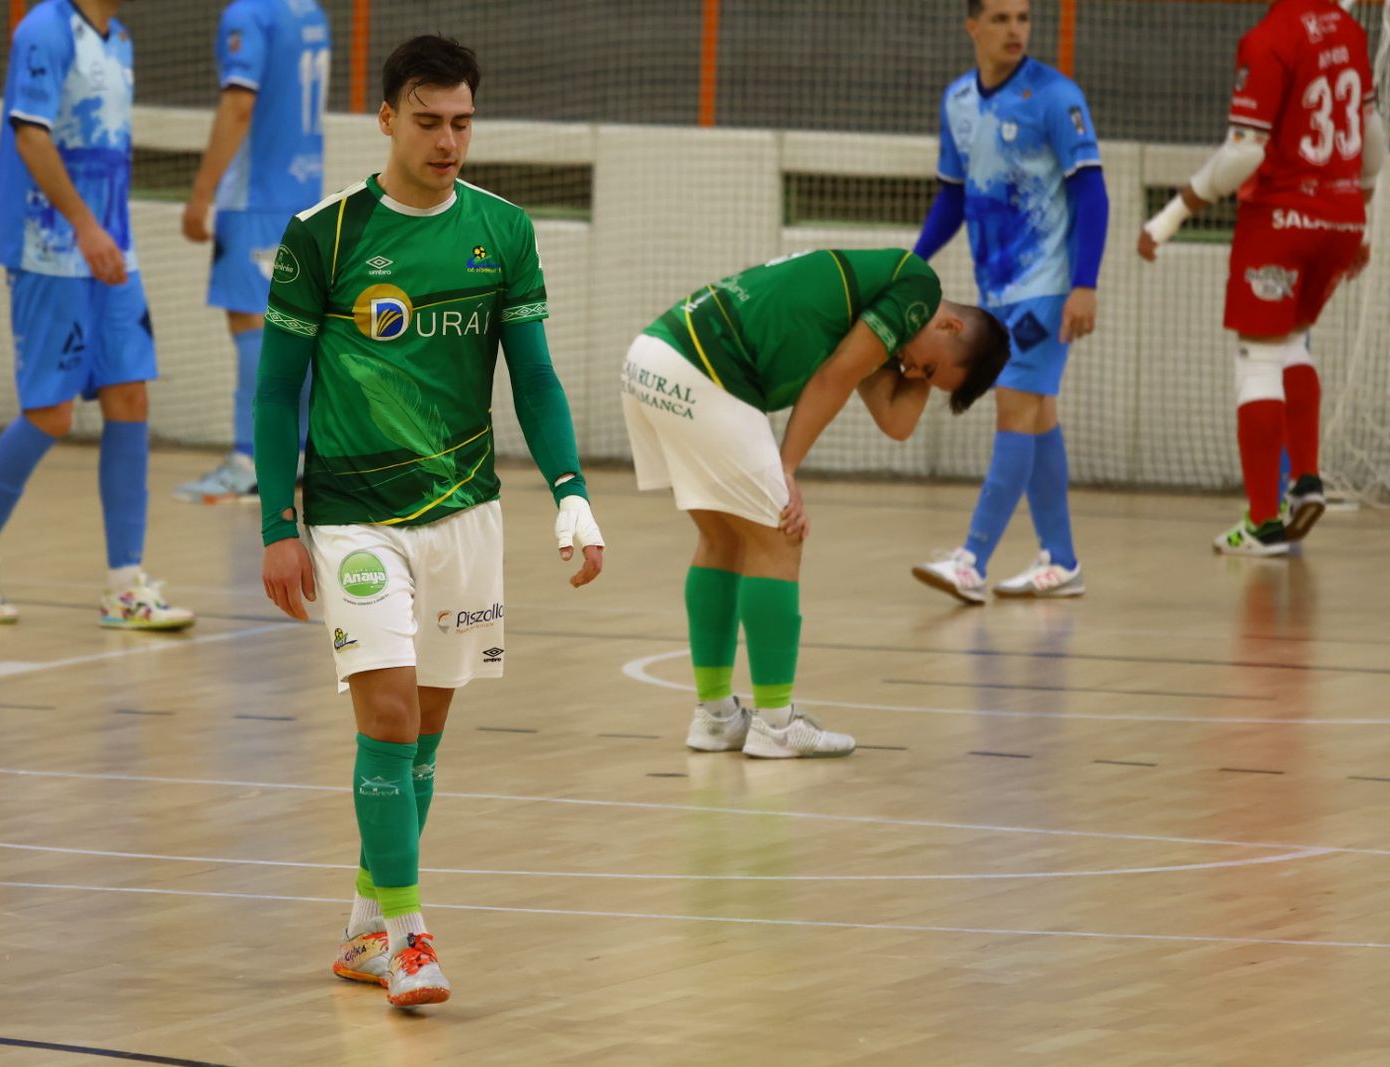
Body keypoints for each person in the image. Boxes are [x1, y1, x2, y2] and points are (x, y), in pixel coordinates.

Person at [253, 35, 605, 1009]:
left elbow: (533, 376)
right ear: (385, 118)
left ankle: (365, 925)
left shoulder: (503, 231)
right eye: (427, 121)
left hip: (465, 513)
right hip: (352, 516)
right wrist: (278, 523)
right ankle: (411, 941)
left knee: (425, 736)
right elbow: (276, 391)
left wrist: (571, 490)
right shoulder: (322, 237)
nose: (447, 141)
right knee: (389, 715)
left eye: (461, 123)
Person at [621, 248, 1009, 757]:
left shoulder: (882, 319)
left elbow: (896, 423)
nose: (916, 375)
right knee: (781, 536)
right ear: (950, 324)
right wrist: (786, 468)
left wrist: (918, 366)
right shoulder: (917, 288)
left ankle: (716, 718)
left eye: (927, 380)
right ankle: (777, 725)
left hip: (652, 358)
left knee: (723, 539)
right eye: (931, 367)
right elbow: (833, 379)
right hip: (705, 370)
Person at [0, 0, 194, 631]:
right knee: (49, 413)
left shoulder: (120, 38)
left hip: (112, 250)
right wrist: (83, 225)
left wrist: (106, 233)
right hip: (48, 246)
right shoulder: (44, 30)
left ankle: (125, 586)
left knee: (130, 396)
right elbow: (31, 135)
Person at [1139, 0, 1382, 555]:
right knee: (1293, 341)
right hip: (1342, 216)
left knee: (1258, 359)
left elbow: (1244, 154)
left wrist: (1172, 214)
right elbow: (1372, 138)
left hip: (1281, 220)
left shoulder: (1268, 39)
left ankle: (1263, 522)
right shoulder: (1349, 30)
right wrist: (1360, 221)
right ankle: (1307, 479)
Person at [909, 0, 1110, 603]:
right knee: (1038, 416)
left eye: (1022, 17)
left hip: (1046, 288)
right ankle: (1062, 561)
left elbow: (1092, 194)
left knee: (1014, 411)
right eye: (999, 19)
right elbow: (953, 196)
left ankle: (972, 560)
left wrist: (1085, 283)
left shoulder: (1056, 97)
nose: (1015, 29)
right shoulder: (958, 101)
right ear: (972, 26)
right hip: (996, 290)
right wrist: (913, 262)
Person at [176, 0, 329, 503]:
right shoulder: (309, 11)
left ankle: (251, 461)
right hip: (303, 192)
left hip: (255, 196)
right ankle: (300, 455)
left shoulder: (248, 14)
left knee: (251, 323)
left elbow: (239, 106)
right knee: (294, 326)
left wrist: (201, 194)